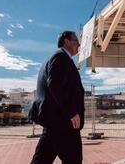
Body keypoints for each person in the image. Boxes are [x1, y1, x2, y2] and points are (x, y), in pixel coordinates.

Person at [29, 30, 85, 164]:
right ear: (66, 41)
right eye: (76, 41)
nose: (78, 44)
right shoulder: (60, 57)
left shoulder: (55, 58)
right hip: (63, 122)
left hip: (54, 121)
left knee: (42, 160)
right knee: (74, 160)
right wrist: (71, 112)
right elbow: (55, 85)